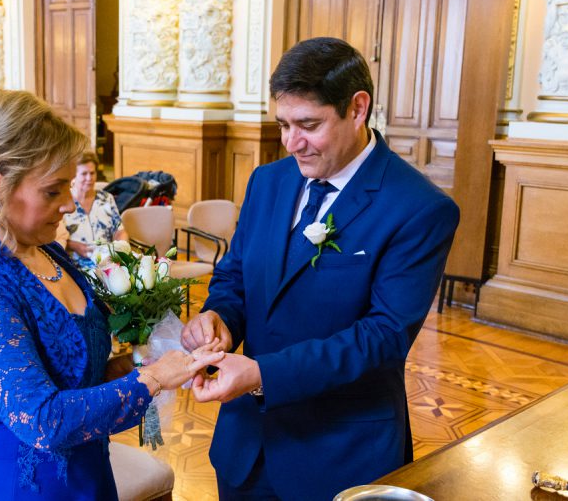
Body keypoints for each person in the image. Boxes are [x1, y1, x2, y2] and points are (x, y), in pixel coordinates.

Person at [181, 37, 460, 500]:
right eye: (283, 125)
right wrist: (220, 318)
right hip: (245, 447)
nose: (292, 143)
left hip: (339, 454)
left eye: (308, 125)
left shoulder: (418, 208)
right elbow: (235, 276)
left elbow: (383, 335)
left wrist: (264, 375)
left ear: (357, 108)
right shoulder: (267, 181)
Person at [0, 88, 223, 500]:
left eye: (69, 187)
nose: (70, 205)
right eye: (53, 191)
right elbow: (43, 421)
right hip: (24, 489)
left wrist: (146, 360)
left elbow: (78, 375)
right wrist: (154, 379)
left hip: (89, 474)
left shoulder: (47, 251)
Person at [63, 150, 128, 270]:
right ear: (73, 175)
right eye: (84, 174)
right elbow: (53, 241)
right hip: (75, 267)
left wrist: (121, 249)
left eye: (92, 173)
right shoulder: (63, 201)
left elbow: (119, 231)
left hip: (107, 264)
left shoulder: (106, 198)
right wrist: (74, 246)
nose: (89, 178)